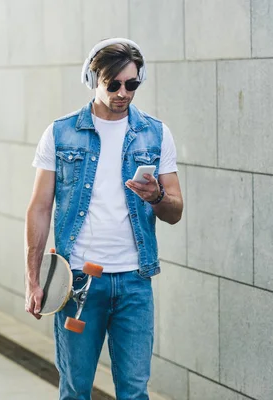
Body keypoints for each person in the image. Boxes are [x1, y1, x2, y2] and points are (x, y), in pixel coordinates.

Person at [24, 38, 184, 400]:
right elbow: (38, 208)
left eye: (132, 84)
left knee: (133, 391)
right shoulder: (60, 133)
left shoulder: (156, 135)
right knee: (76, 391)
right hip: (77, 281)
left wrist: (156, 196)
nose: (123, 93)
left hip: (134, 283)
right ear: (93, 79)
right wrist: (33, 278)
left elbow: (175, 210)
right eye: (113, 84)